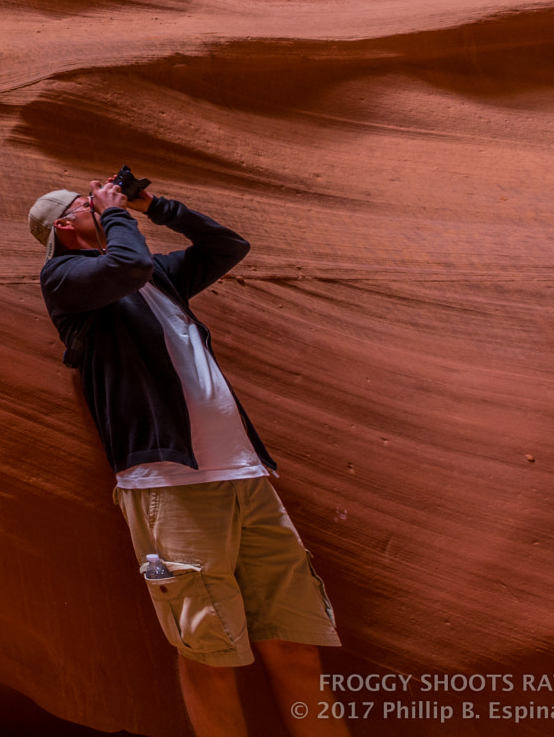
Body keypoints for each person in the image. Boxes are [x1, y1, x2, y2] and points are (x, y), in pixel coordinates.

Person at [27, 177, 348, 737]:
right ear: (62, 226)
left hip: (245, 477)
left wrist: (154, 206)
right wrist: (117, 217)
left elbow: (228, 247)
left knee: (295, 649)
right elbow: (125, 266)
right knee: (209, 656)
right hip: (170, 485)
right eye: (87, 203)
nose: (103, 204)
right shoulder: (65, 279)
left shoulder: (158, 276)